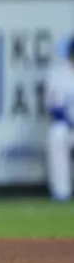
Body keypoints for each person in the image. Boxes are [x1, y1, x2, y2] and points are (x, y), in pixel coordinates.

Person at [45, 38, 74, 202]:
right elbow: (54, 108)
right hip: (68, 127)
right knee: (57, 133)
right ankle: (61, 192)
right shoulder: (59, 74)